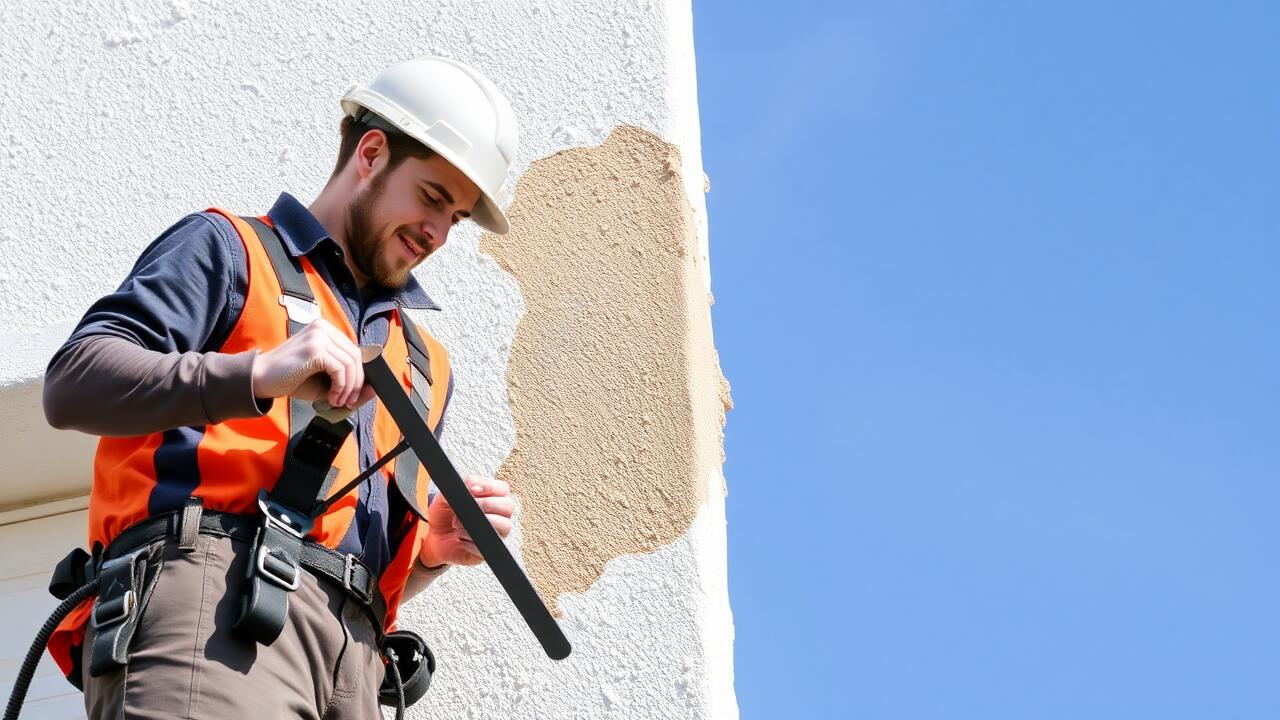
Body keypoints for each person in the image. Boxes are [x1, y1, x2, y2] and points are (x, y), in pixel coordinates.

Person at [40, 56, 519, 718]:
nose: (437, 233)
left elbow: (336, 557)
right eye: (433, 197)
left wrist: (432, 547)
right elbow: (73, 384)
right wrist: (257, 374)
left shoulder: (423, 365)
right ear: (372, 154)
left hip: (354, 661)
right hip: (213, 620)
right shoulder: (229, 250)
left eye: (457, 218)